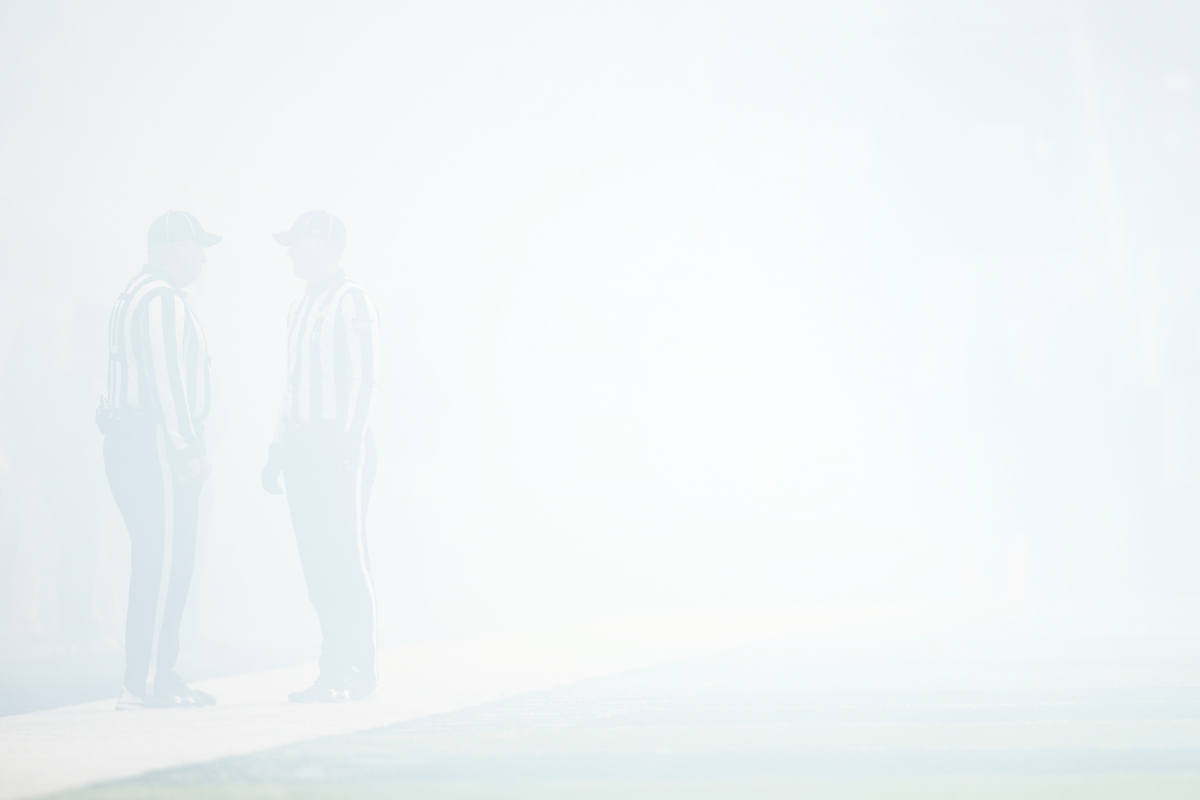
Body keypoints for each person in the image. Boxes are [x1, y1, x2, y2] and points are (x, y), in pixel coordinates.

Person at [97, 211, 220, 710]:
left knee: (159, 558)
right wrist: (187, 447)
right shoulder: (161, 300)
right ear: (176, 248)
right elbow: (166, 379)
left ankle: (154, 674)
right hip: (154, 443)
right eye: (198, 247)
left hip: (133, 437)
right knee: (167, 561)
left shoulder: (133, 294)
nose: (204, 258)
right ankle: (147, 679)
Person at [261, 210, 380, 702]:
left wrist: (348, 445)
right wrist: (276, 447)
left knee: (345, 559)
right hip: (305, 446)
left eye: (297, 243)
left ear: (323, 244)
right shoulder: (298, 306)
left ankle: (359, 668)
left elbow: (365, 378)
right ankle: (332, 668)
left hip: (338, 443)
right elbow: (291, 385)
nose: (289, 251)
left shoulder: (352, 300)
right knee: (316, 563)